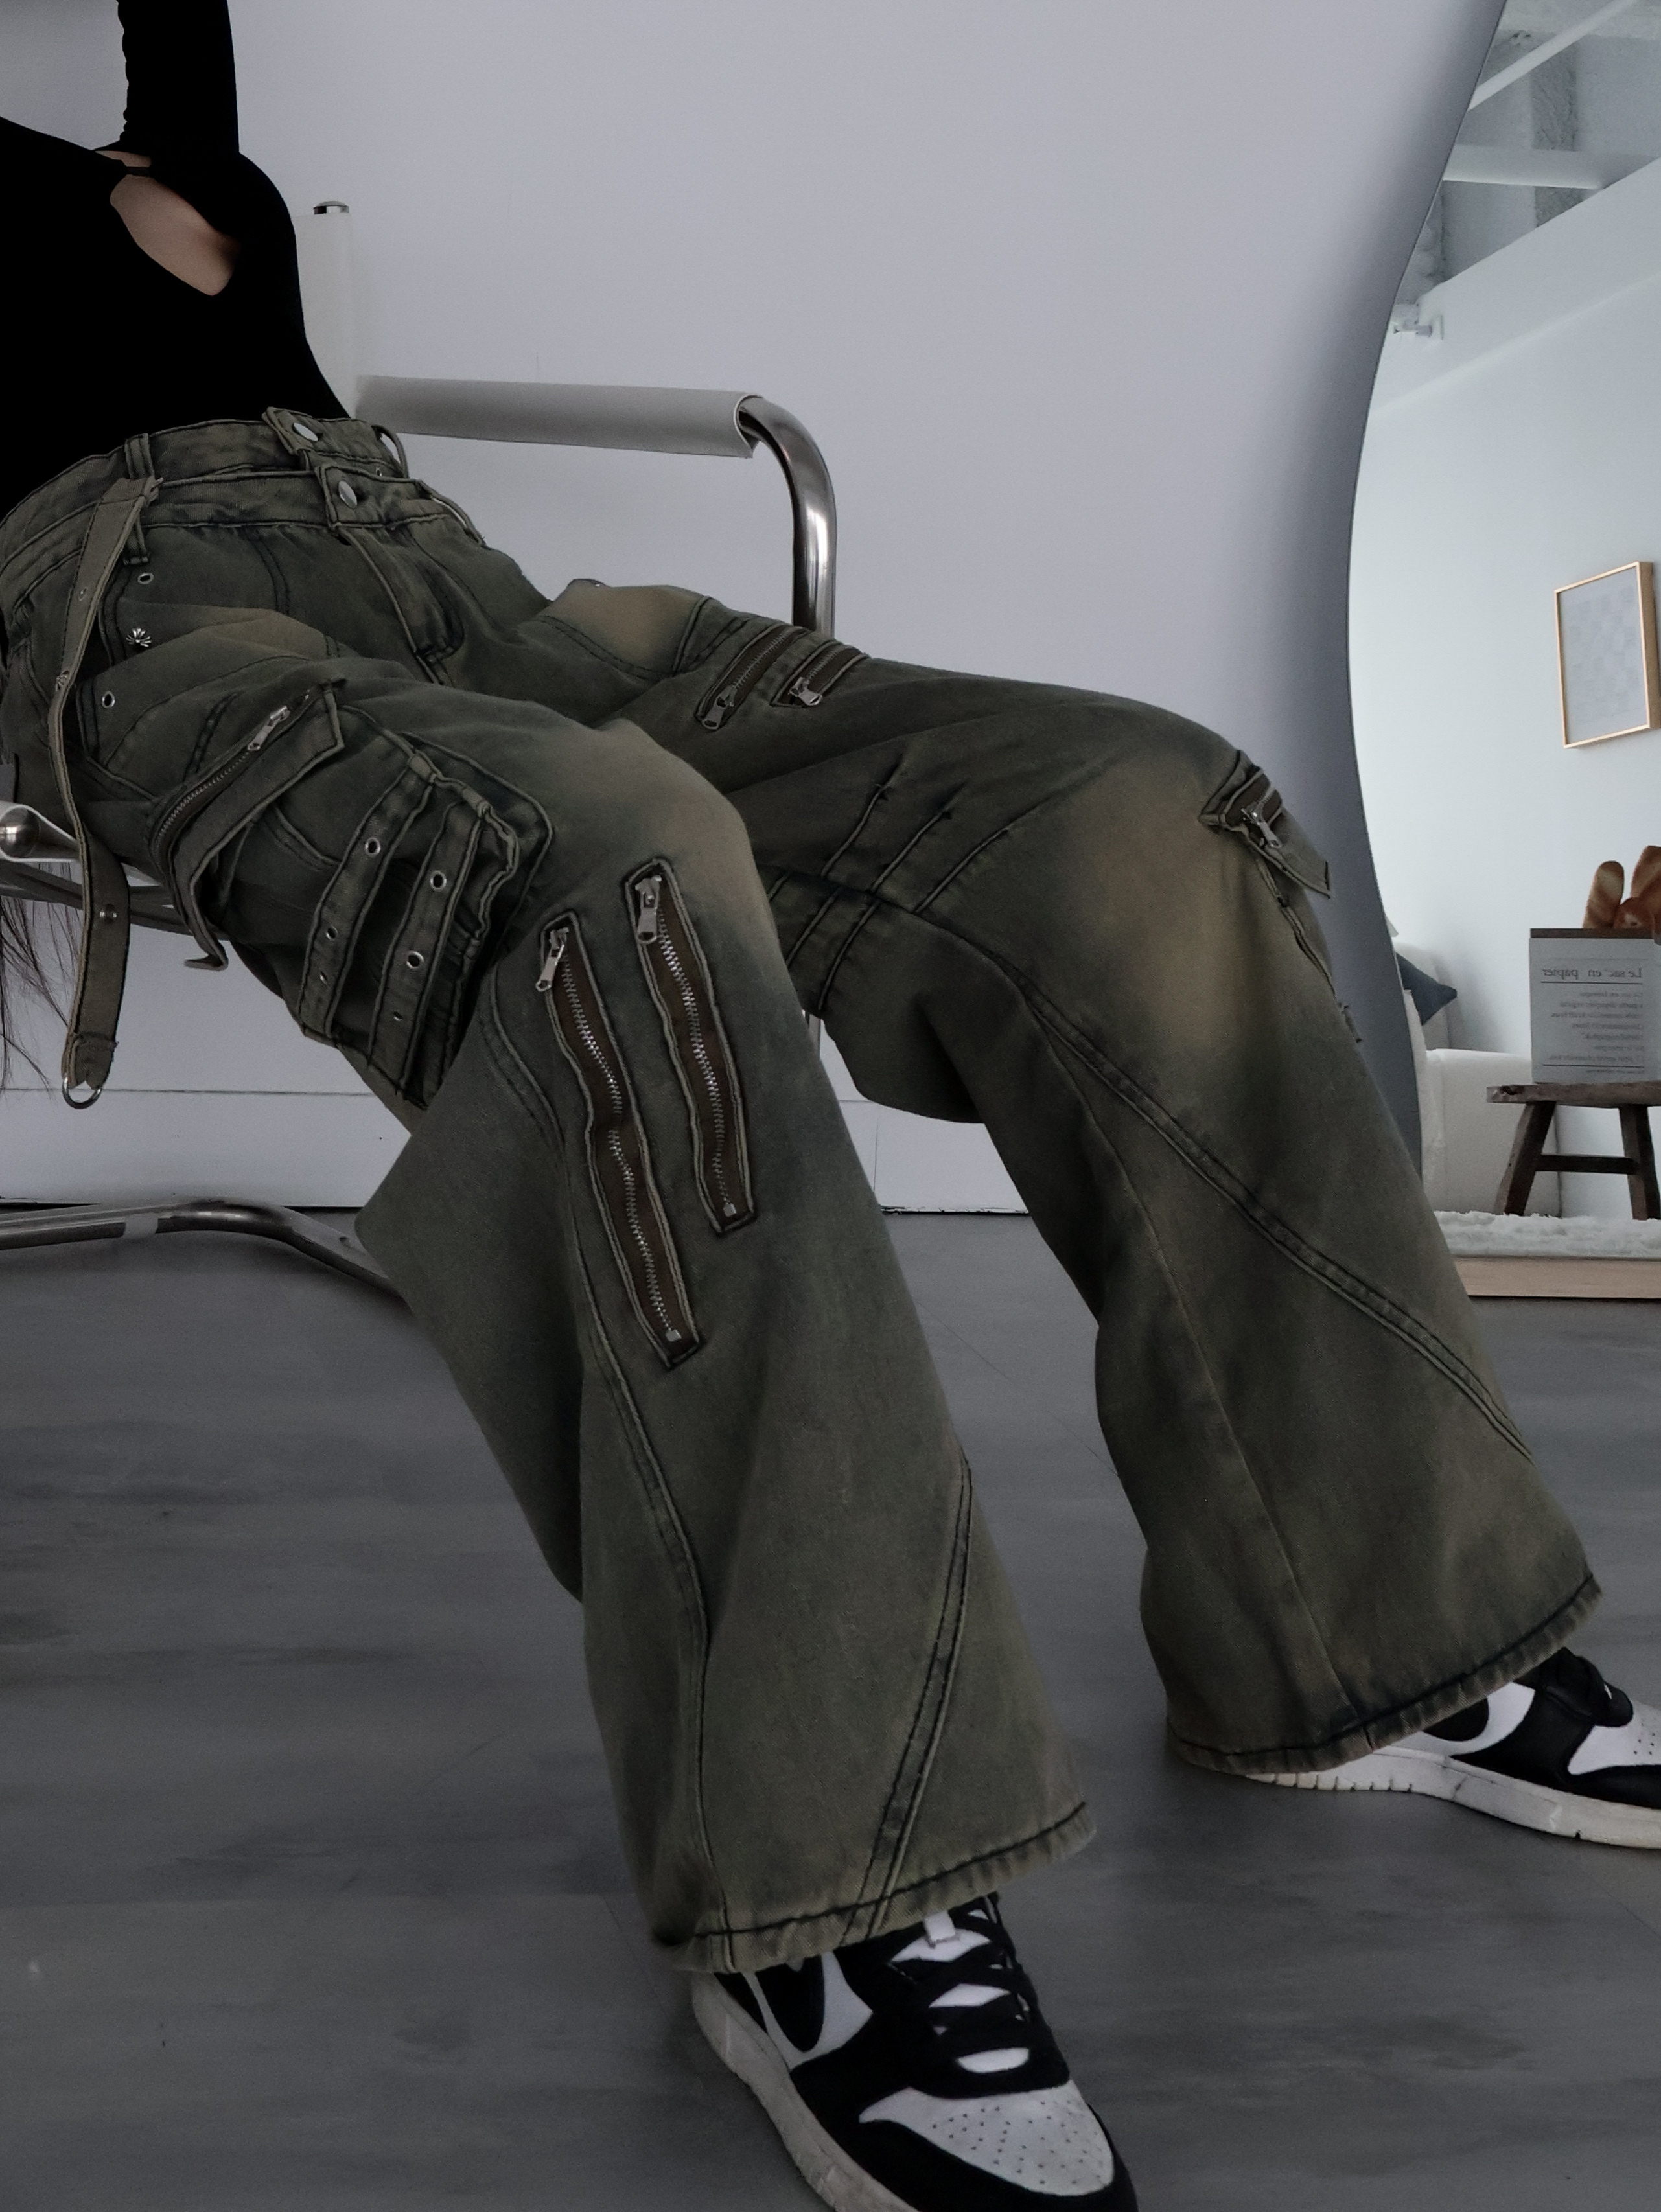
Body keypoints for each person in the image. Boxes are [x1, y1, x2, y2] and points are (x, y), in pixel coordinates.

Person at [3, 8, 1658, 2208]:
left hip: (481, 598)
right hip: (148, 633)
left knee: (1139, 810)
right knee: (617, 874)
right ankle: (841, 1876)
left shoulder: (189, 160)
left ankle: (1383, 1635)